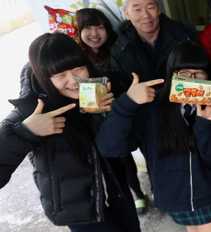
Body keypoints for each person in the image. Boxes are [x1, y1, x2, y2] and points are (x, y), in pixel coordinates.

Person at [0, 33, 140, 232]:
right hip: (80, 211)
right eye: (60, 75)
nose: (74, 80)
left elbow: (124, 143)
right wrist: (27, 131)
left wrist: (113, 112)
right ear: (43, 77)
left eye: (78, 69)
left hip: (118, 194)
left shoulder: (102, 86)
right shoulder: (30, 109)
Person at [96, 42, 211, 232]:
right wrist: (127, 103)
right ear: (172, 74)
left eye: (199, 73)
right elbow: (110, 148)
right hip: (172, 196)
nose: (191, 80)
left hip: (205, 194)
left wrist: (205, 124)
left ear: (208, 76)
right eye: (184, 73)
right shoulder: (152, 105)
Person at [77, 7, 148, 215]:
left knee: (139, 154)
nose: (94, 33)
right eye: (87, 28)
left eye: (99, 27)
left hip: (128, 114)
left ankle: (147, 191)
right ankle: (133, 195)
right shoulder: (78, 62)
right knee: (116, 162)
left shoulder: (119, 51)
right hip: (97, 122)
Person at [111, 0, 199, 92]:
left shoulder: (183, 36)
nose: (146, 15)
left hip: (183, 105)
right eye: (137, 10)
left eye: (150, 7)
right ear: (126, 13)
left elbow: (201, 76)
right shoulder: (120, 47)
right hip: (143, 107)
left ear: (158, 9)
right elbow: (121, 91)